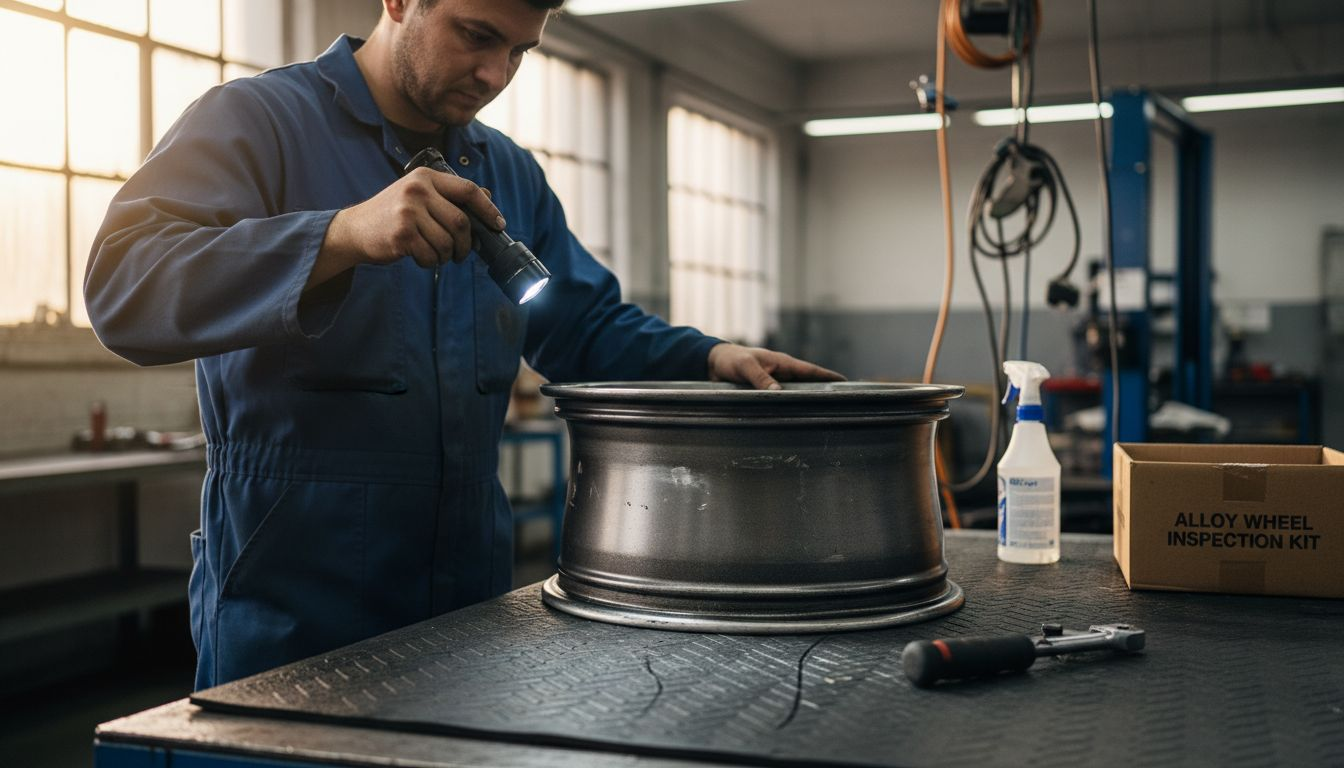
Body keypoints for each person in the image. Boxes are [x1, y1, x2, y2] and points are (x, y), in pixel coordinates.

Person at [85, 0, 843, 691]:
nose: (495, 74)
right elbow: (124, 287)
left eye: (520, 52)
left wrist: (709, 360)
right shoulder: (256, 121)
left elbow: (582, 324)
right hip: (292, 613)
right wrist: (340, 236)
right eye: (478, 36)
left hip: (469, 609)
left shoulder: (506, 173)